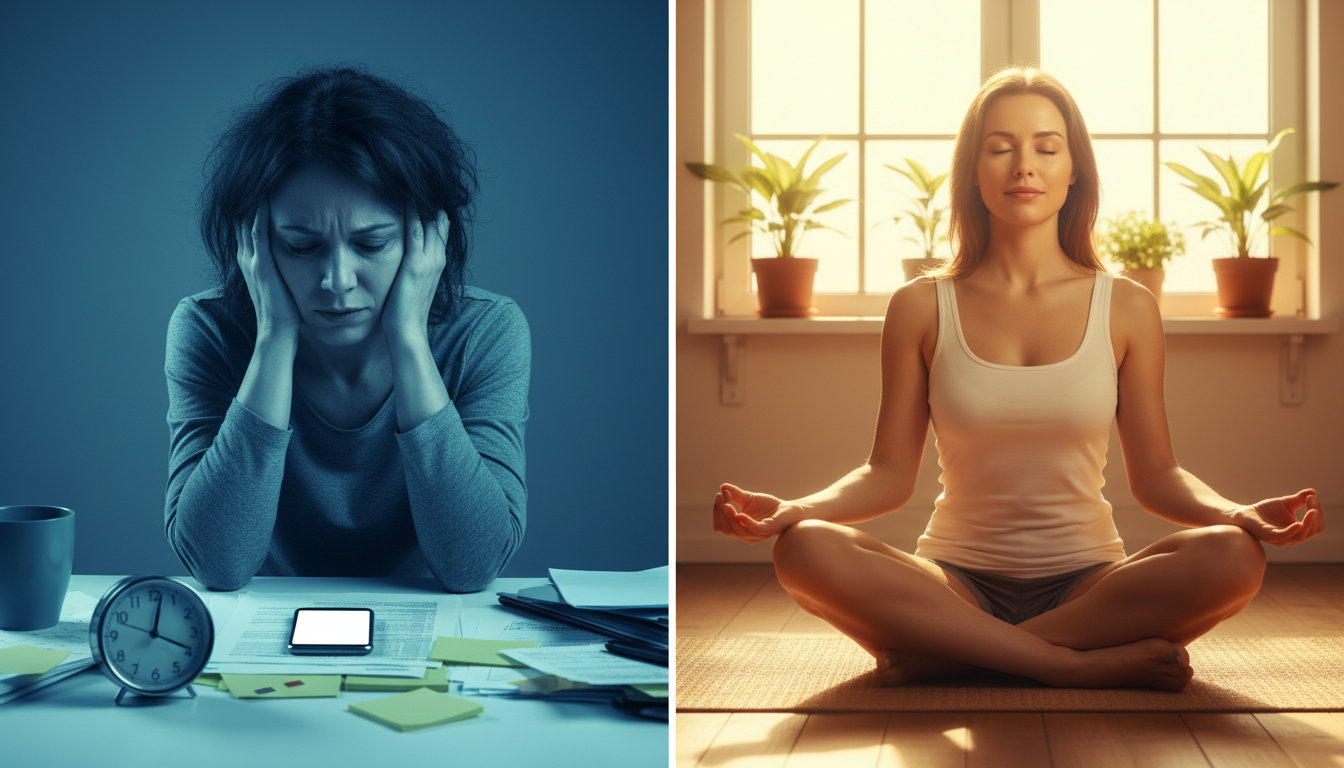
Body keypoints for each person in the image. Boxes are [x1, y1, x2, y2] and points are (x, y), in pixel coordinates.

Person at [711, 65, 1325, 691]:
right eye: (1000, 148)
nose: (1023, 166)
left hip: (1089, 585)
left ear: (1074, 170)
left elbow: (1158, 477)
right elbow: (888, 475)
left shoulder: (1129, 306)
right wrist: (794, 510)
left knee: (1233, 556)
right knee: (803, 547)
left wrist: (1237, 512)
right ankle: (1065, 664)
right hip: (955, 583)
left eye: (1046, 147)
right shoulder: (921, 305)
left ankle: (956, 657)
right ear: (973, 173)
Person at [165, 65, 530, 593]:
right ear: (255, 242)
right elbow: (217, 565)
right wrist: (273, 340)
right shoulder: (207, 330)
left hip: (434, 634)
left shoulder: (487, 332)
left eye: (372, 244)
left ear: (425, 236)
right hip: (260, 637)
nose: (337, 282)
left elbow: (473, 565)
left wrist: (408, 336)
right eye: (301, 247)